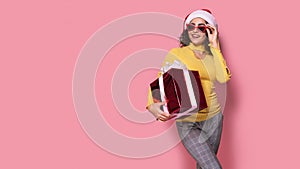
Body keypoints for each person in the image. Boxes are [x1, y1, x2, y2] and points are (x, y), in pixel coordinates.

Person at [146, 9, 231, 169]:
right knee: (213, 167)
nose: (195, 30)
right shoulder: (177, 53)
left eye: (202, 26)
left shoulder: (213, 54)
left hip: (213, 119)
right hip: (187, 121)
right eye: (191, 26)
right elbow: (161, 79)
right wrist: (152, 104)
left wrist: (215, 46)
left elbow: (223, 77)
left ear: (210, 30)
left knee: (203, 166)